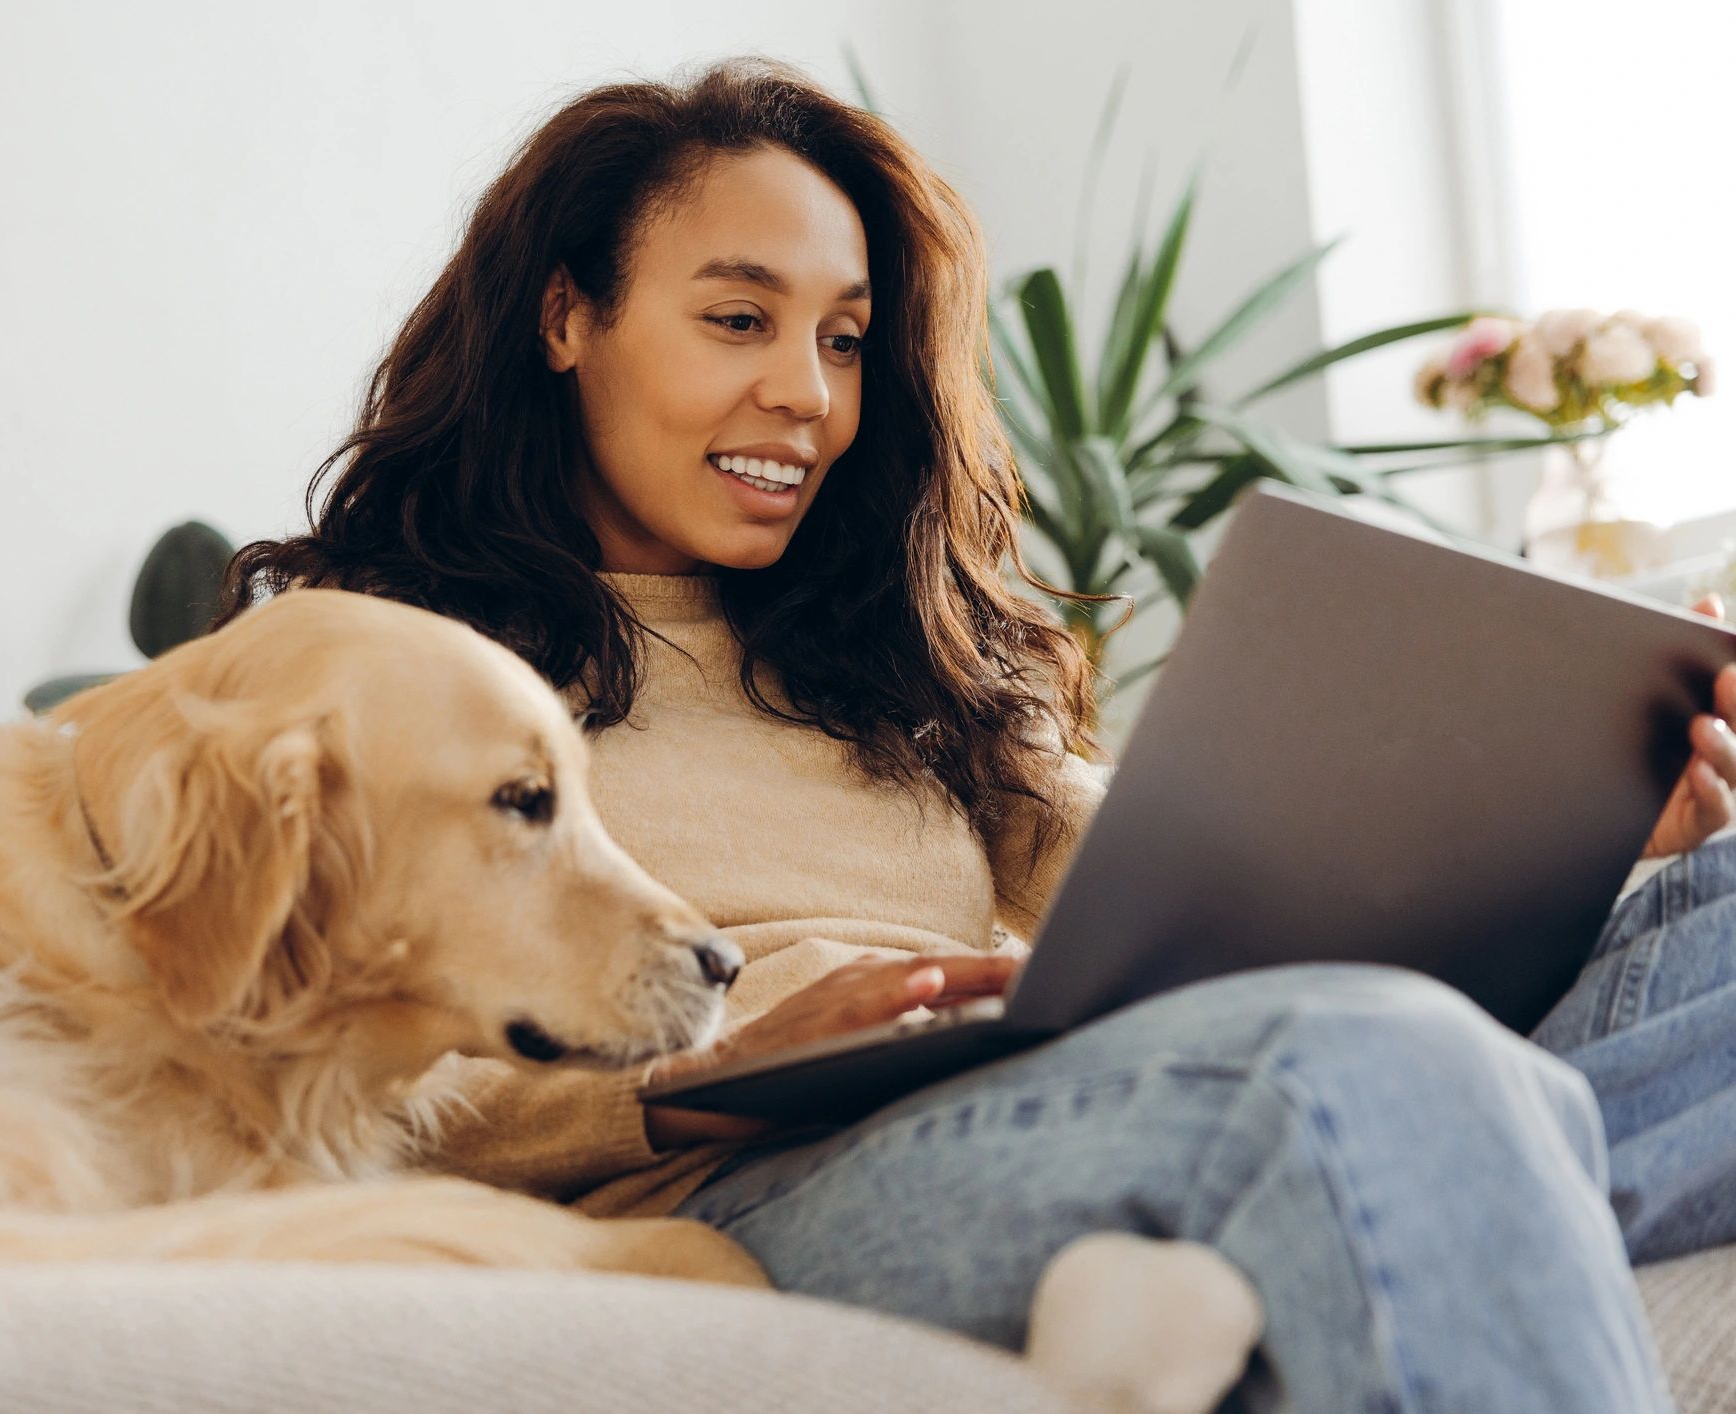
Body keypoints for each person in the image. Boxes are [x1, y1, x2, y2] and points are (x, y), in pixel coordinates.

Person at [221, 56, 1736, 1412]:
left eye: (845, 338)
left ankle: (1394, 1188)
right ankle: (1397, 1164)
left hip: (1049, 1079)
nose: (805, 394)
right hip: (743, 1177)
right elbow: (300, 1088)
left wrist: (1569, 825)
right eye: (736, 317)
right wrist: (715, 1065)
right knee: (1356, 1065)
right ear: (567, 317)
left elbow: (1176, 883)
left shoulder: (888, 650)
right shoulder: (379, 665)